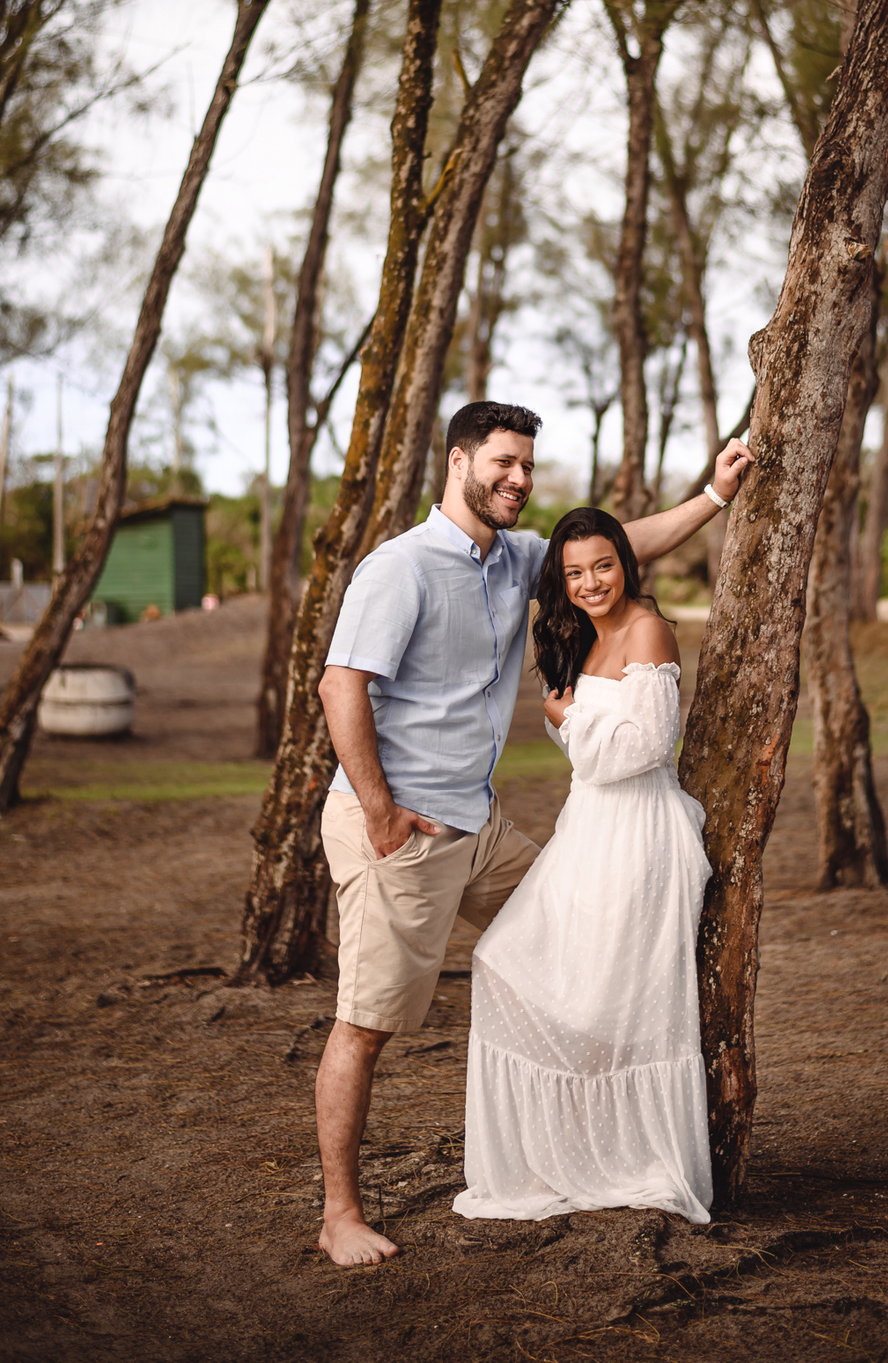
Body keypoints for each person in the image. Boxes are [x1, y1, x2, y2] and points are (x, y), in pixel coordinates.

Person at [316, 401, 753, 1265]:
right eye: (503, 463)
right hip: (405, 830)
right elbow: (340, 688)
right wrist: (379, 814)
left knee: (578, 944)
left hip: (480, 828)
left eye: (526, 466)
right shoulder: (398, 569)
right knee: (366, 1023)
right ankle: (339, 1214)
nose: (518, 479)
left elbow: (621, 545)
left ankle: (599, 1145)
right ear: (459, 461)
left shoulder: (517, 557)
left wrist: (713, 493)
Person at [452, 507, 713, 1223]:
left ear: (625, 561)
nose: (591, 581)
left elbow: (649, 746)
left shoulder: (646, 630)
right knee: (506, 960)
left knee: (614, 997)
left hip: (639, 830)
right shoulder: (581, 639)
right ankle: (563, 1150)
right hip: (589, 825)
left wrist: (570, 720)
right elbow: (599, 748)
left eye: (603, 564)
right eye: (574, 572)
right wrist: (573, 723)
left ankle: (633, 1152)